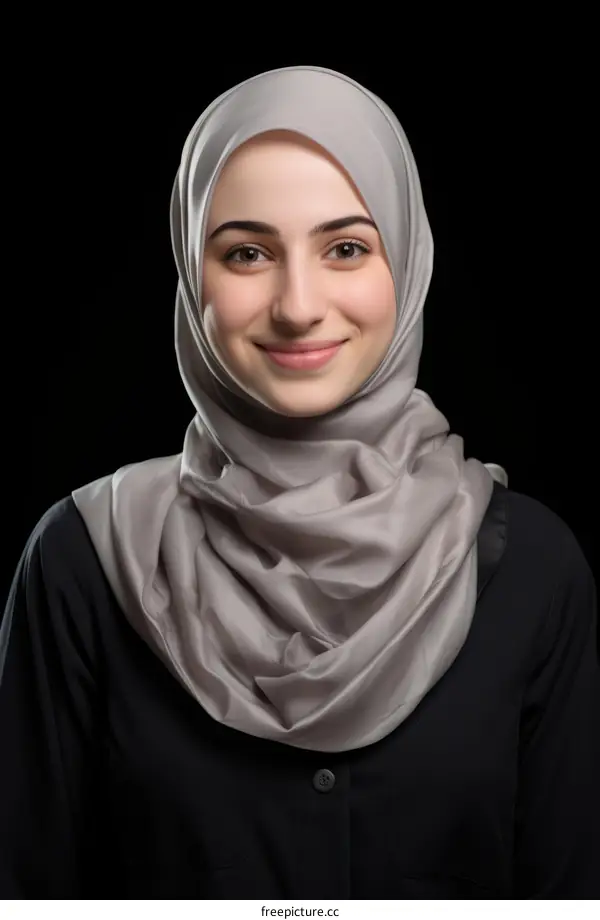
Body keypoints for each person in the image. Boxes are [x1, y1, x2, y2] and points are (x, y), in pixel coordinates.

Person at [1, 66, 598, 899]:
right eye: (247, 252)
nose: (298, 304)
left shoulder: (533, 569)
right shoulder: (84, 564)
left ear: (408, 261)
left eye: (346, 248)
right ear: (189, 270)